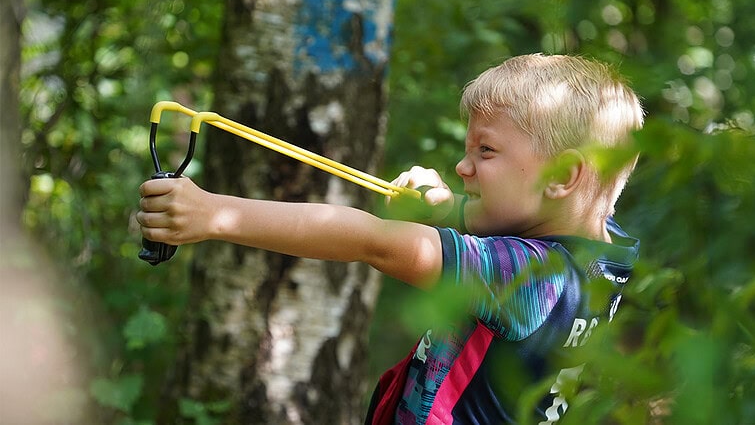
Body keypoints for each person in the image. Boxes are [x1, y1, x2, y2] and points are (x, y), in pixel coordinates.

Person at [138, 53, 643, 424]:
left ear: (563, 176)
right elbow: (525, 223)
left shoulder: (526, 278)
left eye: (486, 151)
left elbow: (374, 241)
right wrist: (445, 207)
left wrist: (215, 215)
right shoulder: (607, 251)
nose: (463, 166)